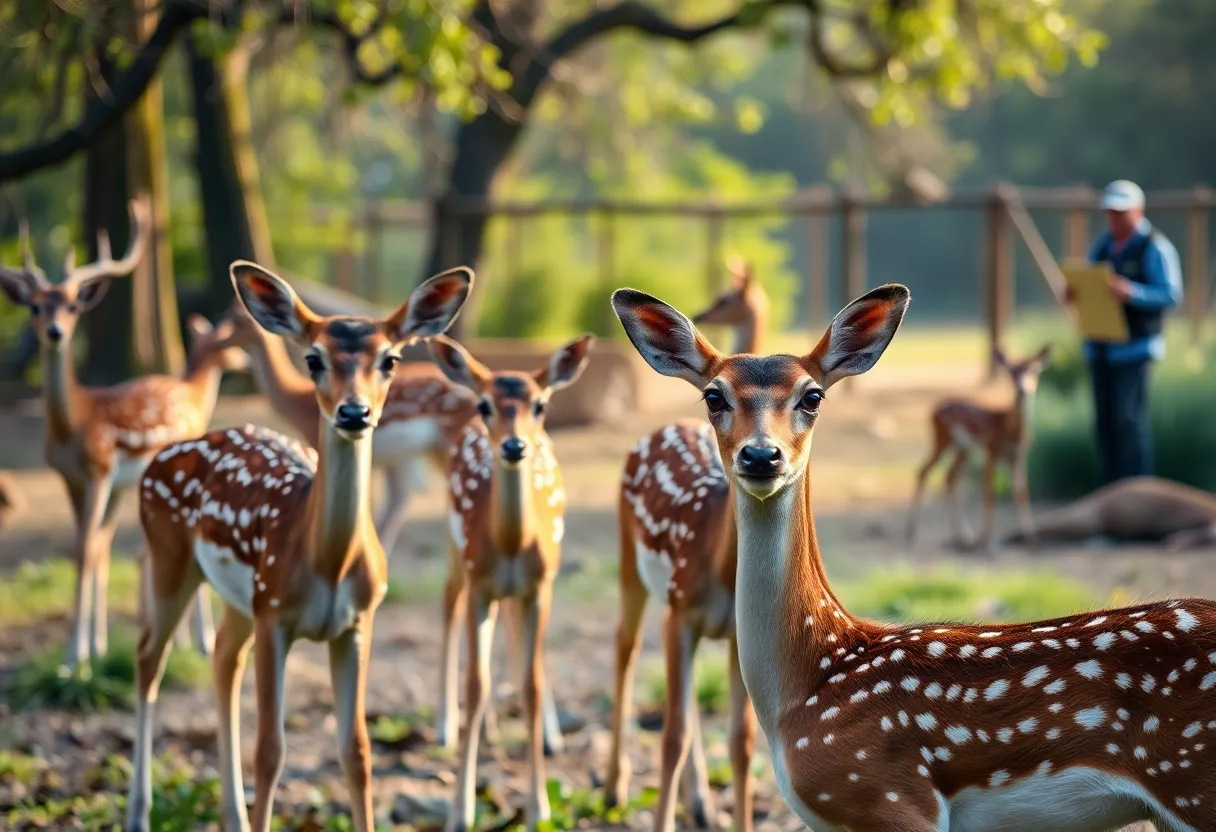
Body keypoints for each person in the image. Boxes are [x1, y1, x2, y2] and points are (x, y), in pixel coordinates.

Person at [1064, 180, 1182, 485]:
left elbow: (1171, 294)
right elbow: (1091, 282)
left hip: (1135, 348)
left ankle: (1138, 492)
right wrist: (1075, 293)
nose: (1116, 218)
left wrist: (1131, 292)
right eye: (1111, 212)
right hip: (1101, 347)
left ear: (1138, 210)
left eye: (1122, 212)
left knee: (1129, 422)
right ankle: (1111, 493)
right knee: (1105, 424)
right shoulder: (1102, 246)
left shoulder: (1154, 246)